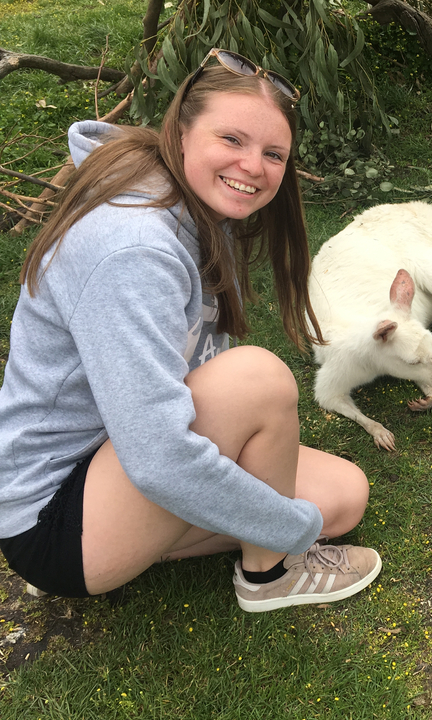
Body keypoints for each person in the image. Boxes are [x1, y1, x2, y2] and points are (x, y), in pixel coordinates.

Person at [0, 49, 381, 612]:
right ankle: (268, 577)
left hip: (120, 456)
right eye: (232, 140)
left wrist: (274, 506)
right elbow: (160, 457)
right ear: (180, 133)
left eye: (273, 153)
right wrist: (288, 528)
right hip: (54, 518)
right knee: (259, 379)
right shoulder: (133, 248)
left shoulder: (192, 207)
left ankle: (156, 532)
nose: (254, 166)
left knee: (343, 498)